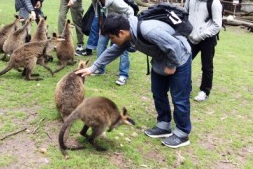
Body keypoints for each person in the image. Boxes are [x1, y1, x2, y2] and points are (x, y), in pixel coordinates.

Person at [75, 13, 192, 148]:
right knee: (158, 92)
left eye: (112, 38)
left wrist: (172, 66)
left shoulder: (149, 31)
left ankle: (182, 133)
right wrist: (93, 68)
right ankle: (164, 125)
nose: (112, 41)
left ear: (121, 32)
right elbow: (114, 50)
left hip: (179, 57)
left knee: (179, 97)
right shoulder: (128, 35)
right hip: (160, 58)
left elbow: (175, 46)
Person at [83, 0, 134, 86]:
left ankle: (123, 75)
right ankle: (100, 69)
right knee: (101, 44)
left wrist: (127, 30)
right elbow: (99, 12)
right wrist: (101, 27)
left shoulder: (114, 0)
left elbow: (130, 11)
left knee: (122, 49)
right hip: (108, 24)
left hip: (121, 25)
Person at [184, 0, 222, 102]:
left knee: (207, 66)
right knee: (184, 62)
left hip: (207, 39)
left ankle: (204, 91)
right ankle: (185, 87)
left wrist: (202, 34)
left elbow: (217, 25)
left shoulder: (214, 2)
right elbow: (185, 13)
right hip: (191, 37)